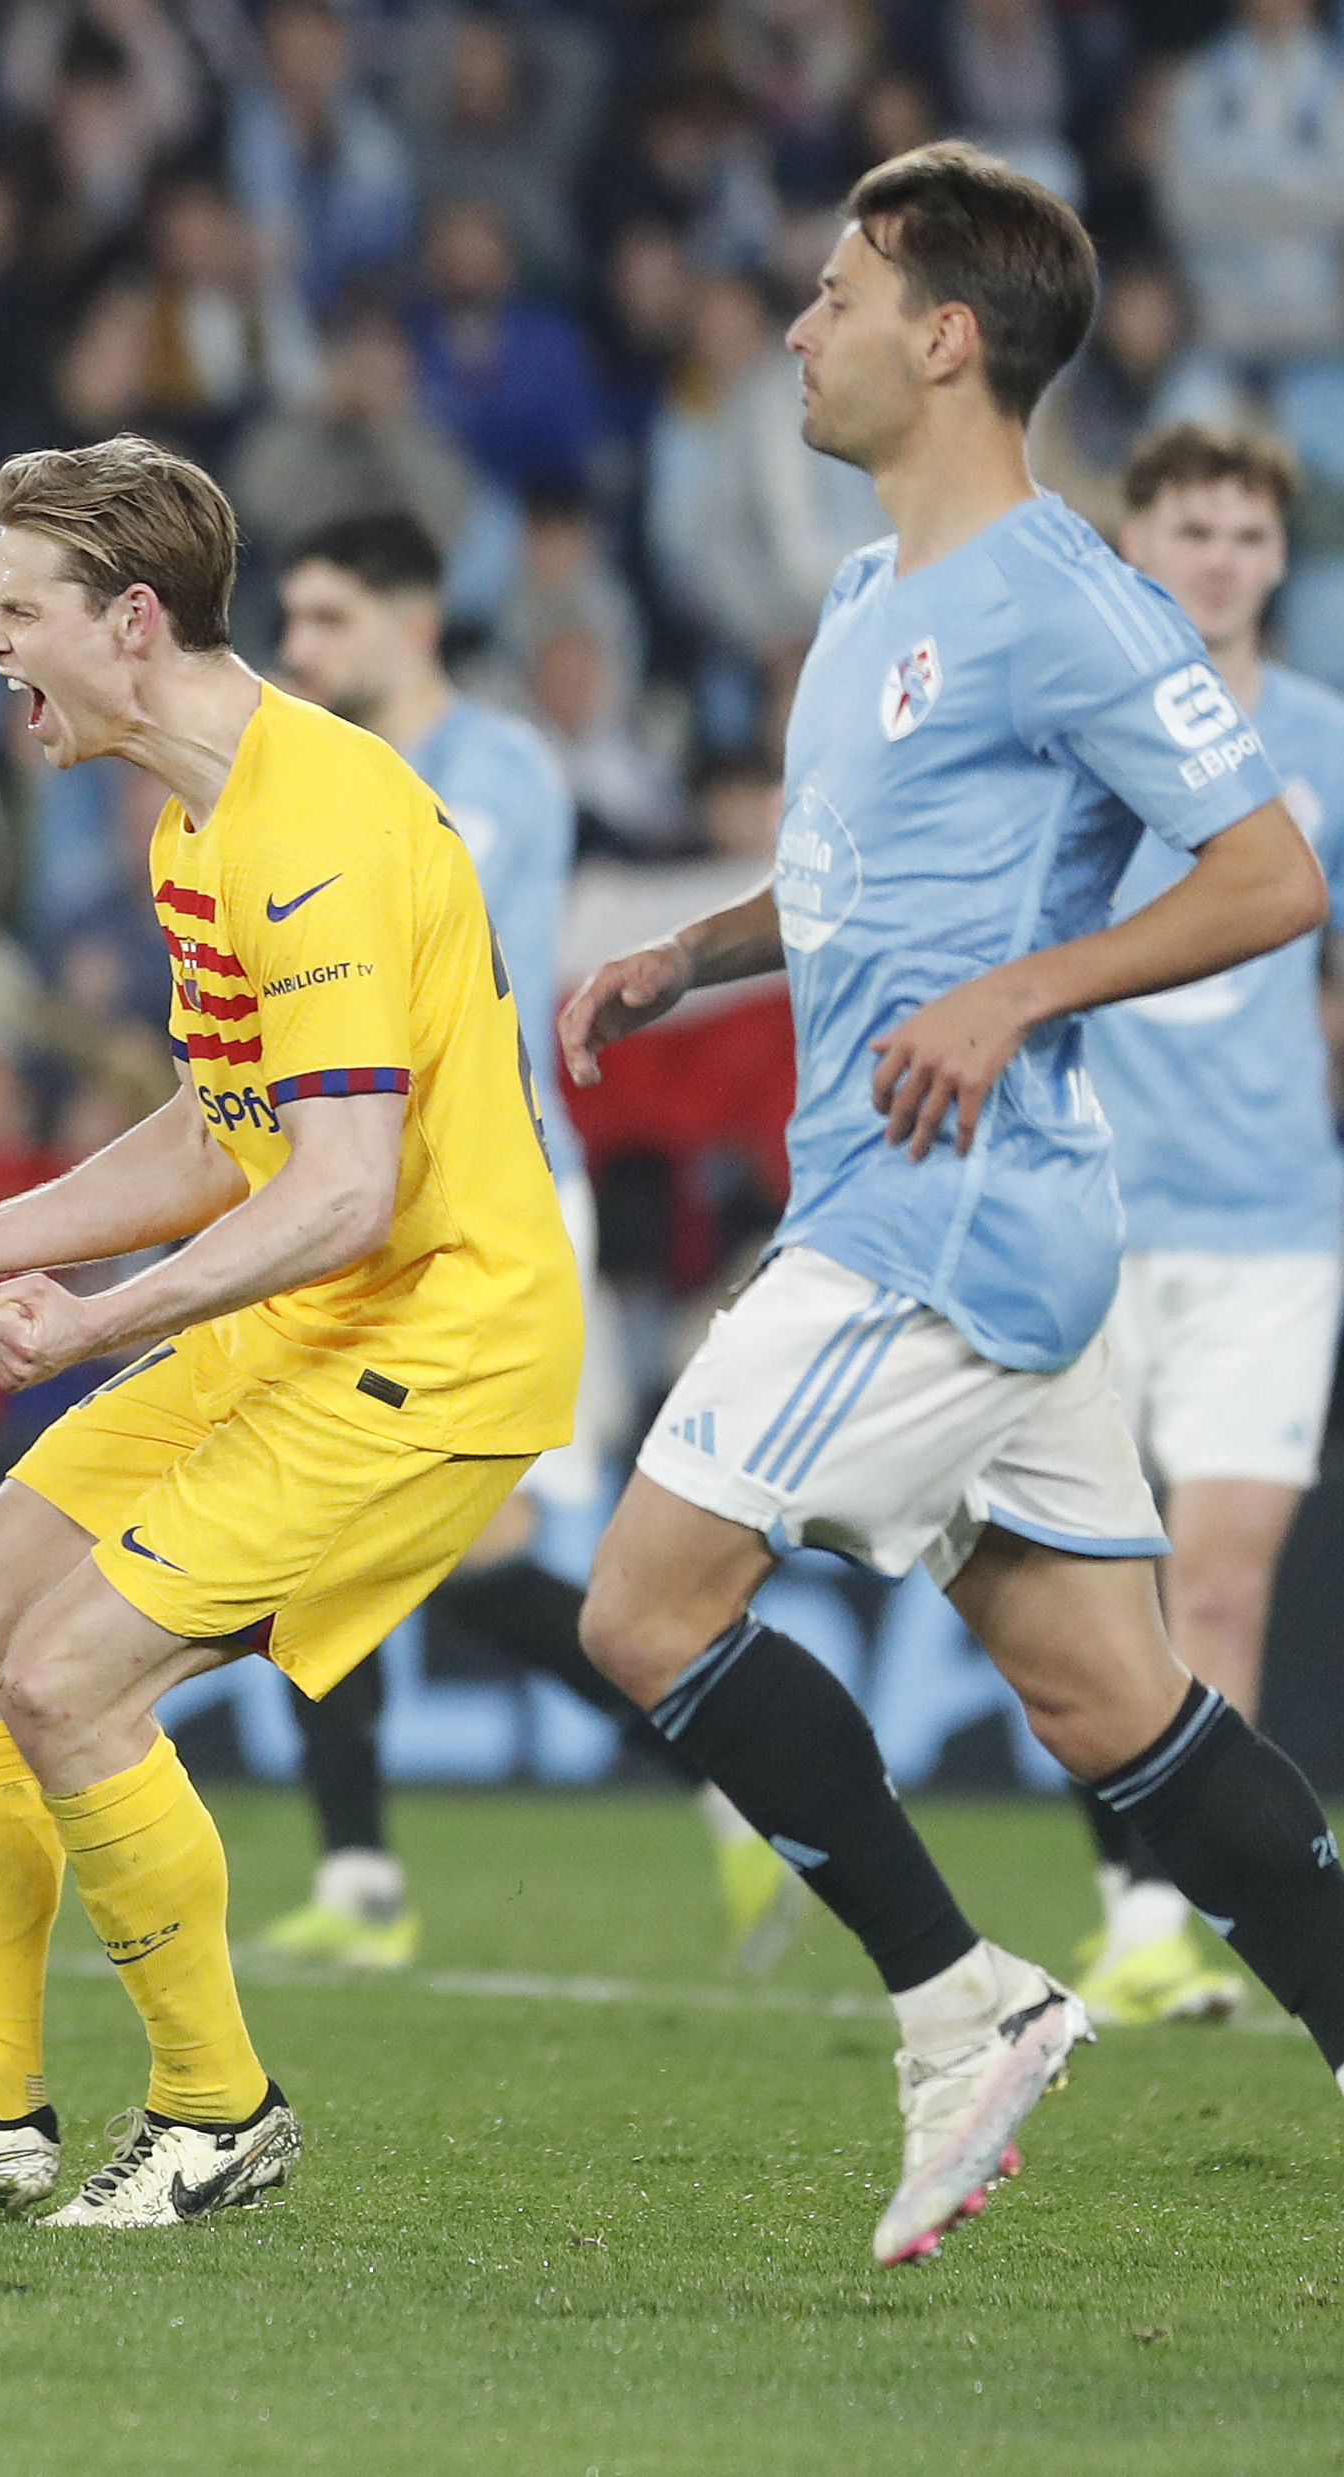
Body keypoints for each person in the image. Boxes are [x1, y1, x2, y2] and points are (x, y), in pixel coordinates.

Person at [560, 146, 1344, 2270]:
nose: (792, 329)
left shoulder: (1069, 594)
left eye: (830, 293)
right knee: (1113, 1708)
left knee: (641, 1607)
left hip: (944, 1205)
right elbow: (848, 895)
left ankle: (955, 2003)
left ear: (945, 338)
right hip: (964, 1203)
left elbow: (1272, 875)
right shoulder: (859, 603)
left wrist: (1022, 991)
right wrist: (686, 959)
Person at [0, 435, 580, 2228]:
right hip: (311, 1309)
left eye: (11, 610)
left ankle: (218, 2110)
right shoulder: (204, 819)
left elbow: (347, 1188)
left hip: (436, 1334)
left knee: (70, 1678)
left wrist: (102, 1317)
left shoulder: (319, 830)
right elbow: (226, 1128)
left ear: (129, 620)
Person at [253, 508, 773, 1972]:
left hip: (491, 1203)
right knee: (319, 1522)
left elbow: (406, 932)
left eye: (329, 620)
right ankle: (358, 1875)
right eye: (289, 622)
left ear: (415, 625)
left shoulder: (489, 774)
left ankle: (734, 1773)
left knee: (500, 1554)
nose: (297, 652)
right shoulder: (319, 768)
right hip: (355, 1190)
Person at [1069, 422, 1344, 2030]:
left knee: (1223, 1585)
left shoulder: (1321, 734)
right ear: (1142, 543)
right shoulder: (1085, 729)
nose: (1222, 555)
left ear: (1277, 559)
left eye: (1249, 531)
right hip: (1091, 1211)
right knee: (1104, 1585)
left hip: (1270, 1224)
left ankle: (1189, 1906)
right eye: (1192, 525)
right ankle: (1137, 1902)